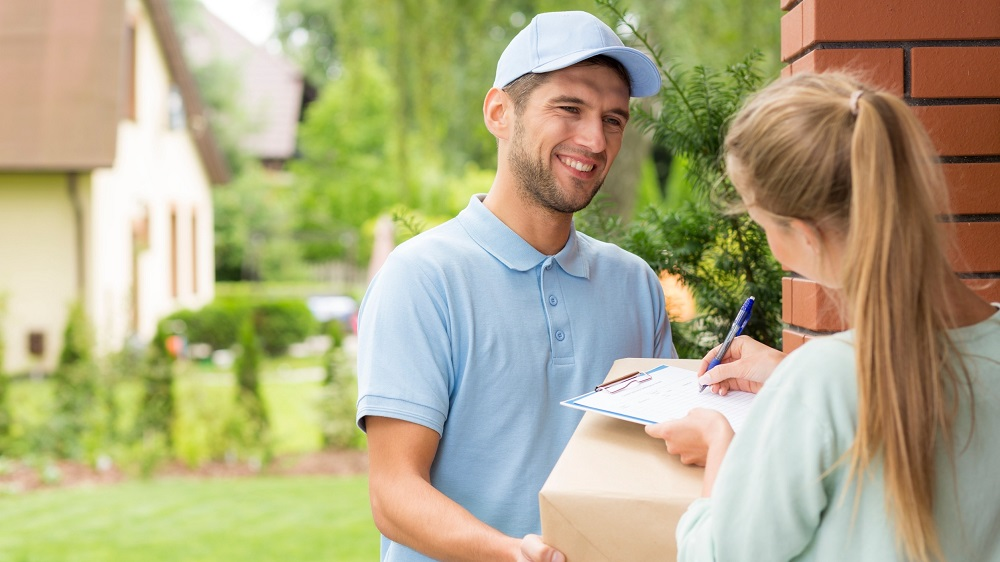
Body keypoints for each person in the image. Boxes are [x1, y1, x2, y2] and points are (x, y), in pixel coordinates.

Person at [356, 11, 675, 562]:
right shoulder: (422, 279)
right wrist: (510, 553)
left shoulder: (635, 285)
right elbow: (393, 493)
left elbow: (659, 460)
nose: (595, 139)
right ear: (499, 112)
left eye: (614, 119)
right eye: (569, 109)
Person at [645, 72, 1000, 561]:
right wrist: (787, 377)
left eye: (759, 220)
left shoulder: (824, 382)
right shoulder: (826, 379)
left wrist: (720, 444)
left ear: (806, 234)